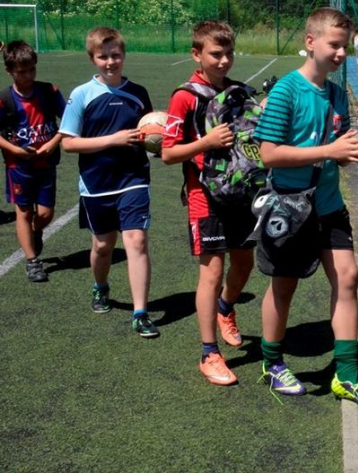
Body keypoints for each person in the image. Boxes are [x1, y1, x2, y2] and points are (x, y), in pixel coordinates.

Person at [253, 7, 358, 412]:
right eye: (334, 45)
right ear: (311, 42)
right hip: (290, 209)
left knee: (347, 278)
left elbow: (334, 149)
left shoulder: (337, 93)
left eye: (345, 46)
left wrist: (348, 154)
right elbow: (269, 154)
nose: (341, 53)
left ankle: (346, 374)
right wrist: (330, 150)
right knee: (285, 285)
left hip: (328, 205)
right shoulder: (286, 91)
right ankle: (272, 363)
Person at [160, 20, 255, 385]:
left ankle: (225, 309)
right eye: (216, 54)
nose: (224, 60)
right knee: (212, 271)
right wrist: (206, 142)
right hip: (204, 196)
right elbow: (169, 154)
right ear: (197, 54)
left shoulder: (239, 92)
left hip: (240, 193)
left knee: (244, 265)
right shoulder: (184, 96)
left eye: (229, 53)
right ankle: (208, 353)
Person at [59, 27, 158, 338]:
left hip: (133, 179)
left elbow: (151, 133)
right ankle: (100, 287)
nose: (111, 62)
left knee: (137, 242)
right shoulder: (81, 95)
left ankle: (140, 312)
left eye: (116, 55)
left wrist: (155, 141)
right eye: (103, 56)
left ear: (124, 56)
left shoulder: (138, 93)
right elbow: (69, 144)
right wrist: (113, 139)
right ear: (93, 59)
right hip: (97, 184)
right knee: (103, 246)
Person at [0, 40, 65, 282]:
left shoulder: (49, 91)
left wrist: (53, 142)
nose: (28, 75)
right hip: (18, 167)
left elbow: (69, 120)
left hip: (46, 164)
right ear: (9, 71)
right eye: (21, 71)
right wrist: (15, 151)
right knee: (24, 212)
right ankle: (32, 261)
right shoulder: (4, 99)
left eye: (32, 70)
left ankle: (36, 232)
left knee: (46, 213)